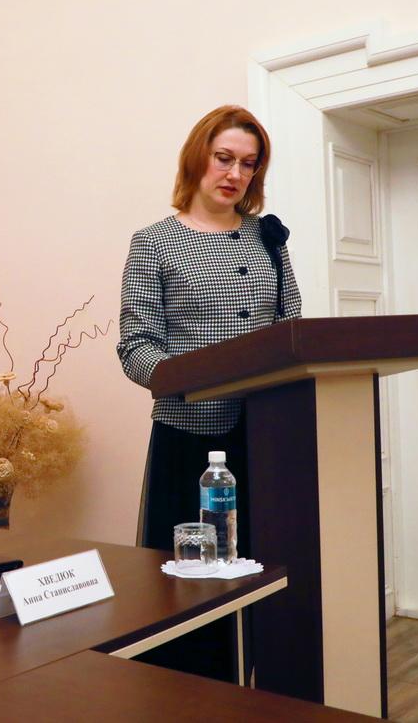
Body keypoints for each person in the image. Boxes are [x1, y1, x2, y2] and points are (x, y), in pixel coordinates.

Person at [116, 105, 302, 680]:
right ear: (198, 157)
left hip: (265, 440)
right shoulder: (154, 242)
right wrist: (196, 380)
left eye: (249, 164)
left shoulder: (268, 239)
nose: (235, 174)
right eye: (224, 158)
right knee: (189, 593)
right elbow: (136, 346)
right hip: (189, 442)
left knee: (264, 582)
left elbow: (293, 331)